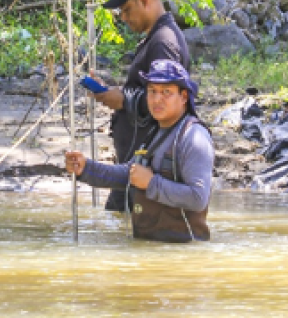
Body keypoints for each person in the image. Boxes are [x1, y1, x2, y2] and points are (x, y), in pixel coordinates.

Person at [65, 59, 214, 243]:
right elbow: (131, 175)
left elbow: (198, 198)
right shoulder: (156, 132)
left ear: (184, 97)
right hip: (152, 252)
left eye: (166, 92)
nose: (157, 99)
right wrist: (86, 169)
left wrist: (152, 183)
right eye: (152, 91)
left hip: (183, 256)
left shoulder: (194, 137)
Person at [91, 0, 191, 211]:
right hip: (137, 162)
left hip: (148, 165)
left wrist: (123, 100)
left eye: (126, 10)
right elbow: (149, 91)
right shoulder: (155, 39)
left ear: (144, 1)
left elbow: (167, 103)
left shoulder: (163, 42)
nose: (123, 18)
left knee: (127, 228)